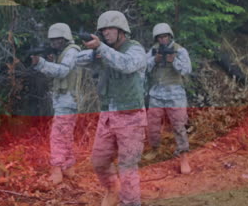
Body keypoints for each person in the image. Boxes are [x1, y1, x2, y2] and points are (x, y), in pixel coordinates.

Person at [77, 11, 147, 206]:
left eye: (110, 28)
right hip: (108, 115)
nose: (106, 33)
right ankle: (112, 190)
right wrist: (95, 50)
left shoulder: (135, 49)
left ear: (121, 30)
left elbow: (127, 64)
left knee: (127, 167)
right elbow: (78, 60)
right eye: (103, 30)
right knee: (99, 161)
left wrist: (101, 48)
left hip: (131, 116)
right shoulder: (104, 50)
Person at [31, 23, 82, 185]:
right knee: (66, 134)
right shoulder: (65, 52)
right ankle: (68, 166)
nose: (54, 43)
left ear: (65, 38)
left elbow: (63, 71)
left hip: (68, 100)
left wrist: (41, 63)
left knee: (58, 136)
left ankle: (57, 169)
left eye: (57, 40)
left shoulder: (72, 51)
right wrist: (51, 61)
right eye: (52, 40)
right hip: (66, 99)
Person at [144, 22, 192, 174]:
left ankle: (183, 156)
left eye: (165, 36)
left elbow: (186, 70)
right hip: (156, 94)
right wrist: (155, 60)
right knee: (152, 125)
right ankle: (155, 148)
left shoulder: (179, 50)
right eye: (159, 37)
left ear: (170, 36)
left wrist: (173, 61)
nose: (163, 40)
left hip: (175, 95)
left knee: (179, 126)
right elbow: (143, 67)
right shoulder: (153, 50)